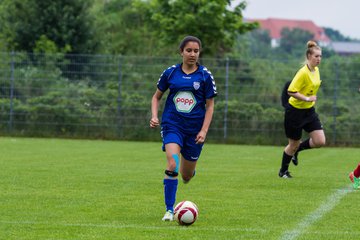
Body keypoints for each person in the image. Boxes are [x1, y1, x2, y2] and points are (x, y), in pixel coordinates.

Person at [150, 36, 217, 221]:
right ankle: (169, 210)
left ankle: (189, 172)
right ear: (181, 52)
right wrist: (155, 116)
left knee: (186, 175)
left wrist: (203, 131)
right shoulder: (170, 73)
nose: (192, 54)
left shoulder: (204, 76)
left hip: (194, 131)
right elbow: (156, 97)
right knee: (172, 163)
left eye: (196, 51)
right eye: (189, 50)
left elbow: (210, 106)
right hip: (172, 125)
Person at [279, 40, 326, 178]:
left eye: (320, 56)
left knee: (320, 141)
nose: (319, 59)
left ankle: (298, 150)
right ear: (309, 57)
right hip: (295, 112)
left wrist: (310, 100)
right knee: (292, 145)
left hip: (309, 111)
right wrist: (307, 98)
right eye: (316, 56)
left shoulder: (316, 70)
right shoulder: (302, 73)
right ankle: (283, 171)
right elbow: (291, 91)